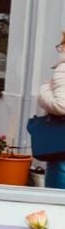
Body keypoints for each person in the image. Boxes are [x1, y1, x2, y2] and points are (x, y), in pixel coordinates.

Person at [38, 32, 65, 188]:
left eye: (62, 45)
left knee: (56, 201)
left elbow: (61, 106)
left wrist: (44, 90)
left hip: (61, 147)